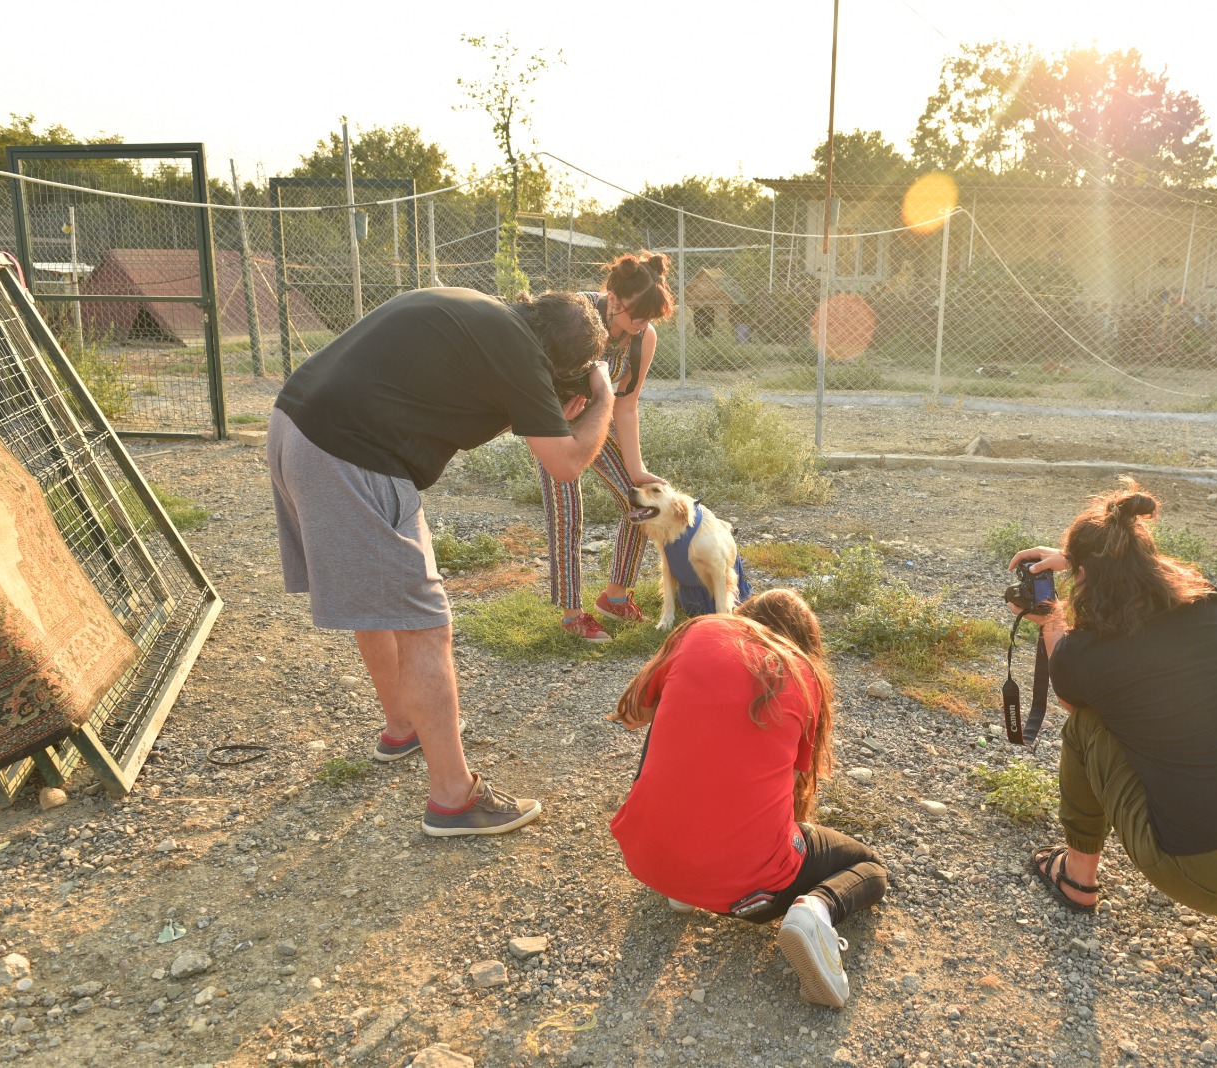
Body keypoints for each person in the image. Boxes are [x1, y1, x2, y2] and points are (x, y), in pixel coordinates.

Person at [268, 287, 614, 837]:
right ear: (560, 363)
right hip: (350, 451)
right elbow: (567, 464)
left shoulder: (482, 313)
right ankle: (454, 797)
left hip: (300, 427)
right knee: (426, 625)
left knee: (382, 598)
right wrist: (604, 400)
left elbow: (451, 411)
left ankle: (403, 726)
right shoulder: (524, 354)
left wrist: (538, 410)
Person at [1009, 480, 1217, 977]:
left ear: (1081, 576)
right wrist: (1083, 560)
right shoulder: (1211, 604)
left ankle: (1077, 876)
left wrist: (1050, 619)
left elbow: (1068, 696)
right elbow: (1147, 571)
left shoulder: (1086, 656)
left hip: (1210, 876)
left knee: (1087, 726)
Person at [607, 589, 888, 1007]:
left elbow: (631, 716)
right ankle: (816, 912)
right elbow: (792, 790)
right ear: (805, 641)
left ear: (744, 615)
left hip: (646, 861)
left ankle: (680, 884)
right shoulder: (805, 675)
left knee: (671, 701)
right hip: (754, 898)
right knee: (870, 866)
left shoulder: (701, 630)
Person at [540, 252, 674, 642]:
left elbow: (626, 405)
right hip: (550, 421)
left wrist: (637, 470)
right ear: (613, 300)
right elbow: (528, 375)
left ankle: (614, 597)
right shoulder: (573, 319)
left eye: (649, 319)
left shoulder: (643, 337)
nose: (642, 326)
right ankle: (571, 615)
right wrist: (552, 415)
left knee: (640, 503)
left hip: (595, 421)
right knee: (567, 513)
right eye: (636, 316)